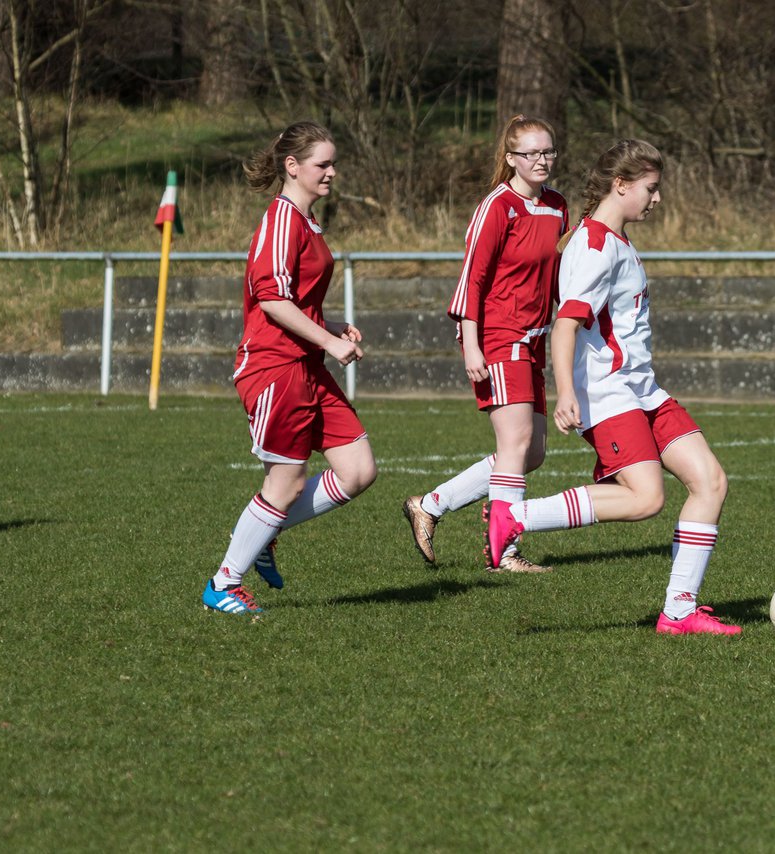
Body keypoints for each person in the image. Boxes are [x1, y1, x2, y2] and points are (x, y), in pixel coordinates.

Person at [484, 139, 740, 635]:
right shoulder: (595, 246)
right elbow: (565, 326)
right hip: (609, 393)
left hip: (645, 390)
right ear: (621, 186)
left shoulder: (614, 240)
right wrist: (567, 392)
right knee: (645, 500)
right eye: (651, 188)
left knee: (710, 481)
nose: (657, 199)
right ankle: (515, 517)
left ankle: (679, 612)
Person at [201, 121, 377, 616]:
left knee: (359, 469)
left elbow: (294, 299)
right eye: (323, 164)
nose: (332, 172)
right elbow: (273, 300)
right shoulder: (281, 220)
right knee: (286, 484)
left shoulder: (307, 221)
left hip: (307, 364)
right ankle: (223, 584)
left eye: (333, 163)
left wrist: (332, 326)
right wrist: (327, 340)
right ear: (292, 167)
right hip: (276, 368)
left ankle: (263, 532)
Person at [402, 115, 568, 573]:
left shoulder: (557, 205)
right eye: (531, 153)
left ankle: (430, 505)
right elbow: (471, 279)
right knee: (515, 442)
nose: (541, 160)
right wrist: (471, 345)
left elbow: (553, 277)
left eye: (548, 152)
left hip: (533, 339)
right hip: (497, 335)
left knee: (531, 453)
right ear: (511, 158)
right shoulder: (497, 205)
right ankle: (505, 552)